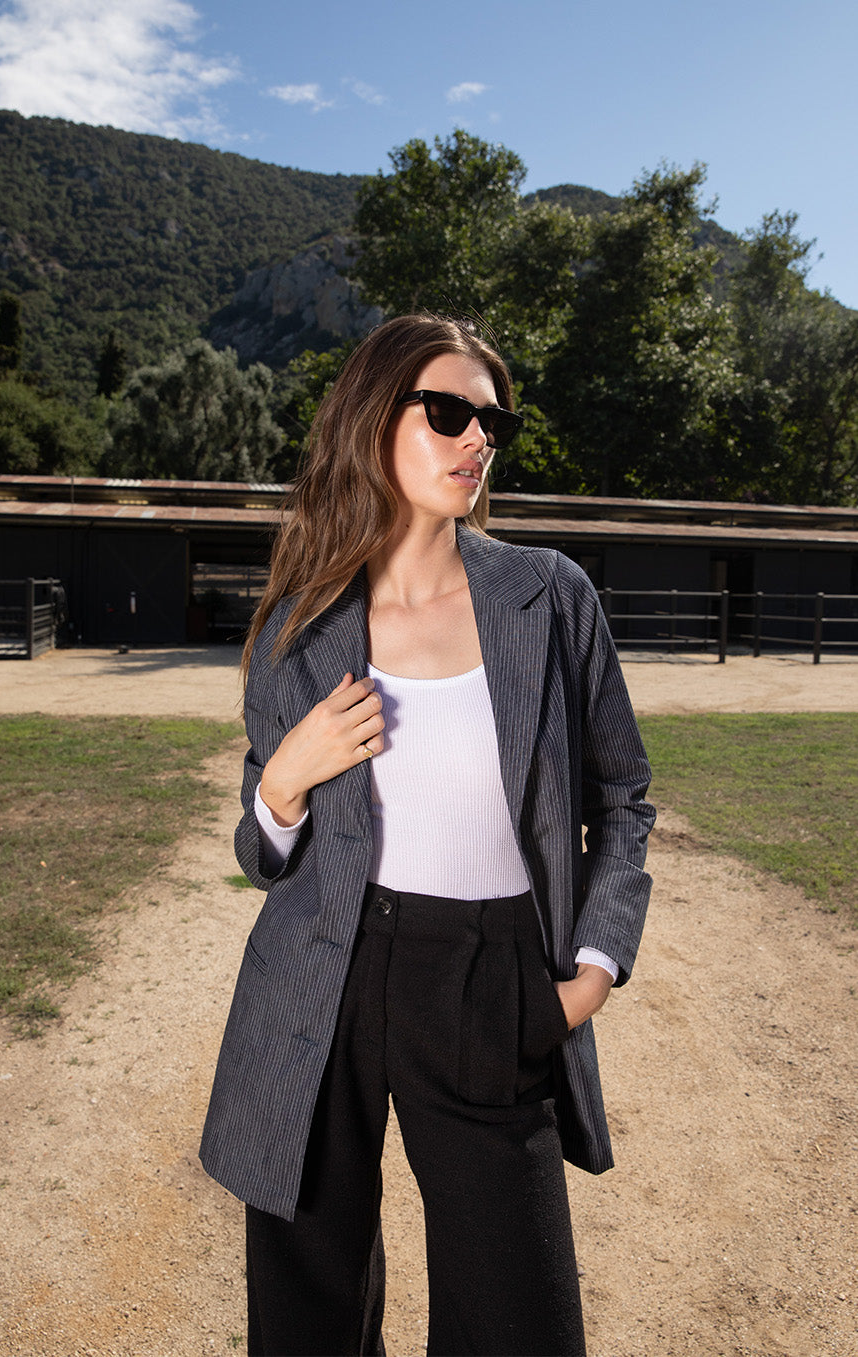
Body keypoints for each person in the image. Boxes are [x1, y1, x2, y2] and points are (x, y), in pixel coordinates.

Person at [200, 314, 655, 1357]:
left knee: (519, 1321)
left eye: (491, 421)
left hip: (491, 973)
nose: (476, 439)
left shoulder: (549, 596)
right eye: (448, 411)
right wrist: (283, 780)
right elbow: (261, 849)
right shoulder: (299, 622)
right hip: (324, 973)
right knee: (306, 1316)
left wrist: (590, 971)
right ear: (374, 420)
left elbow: (623, 795)